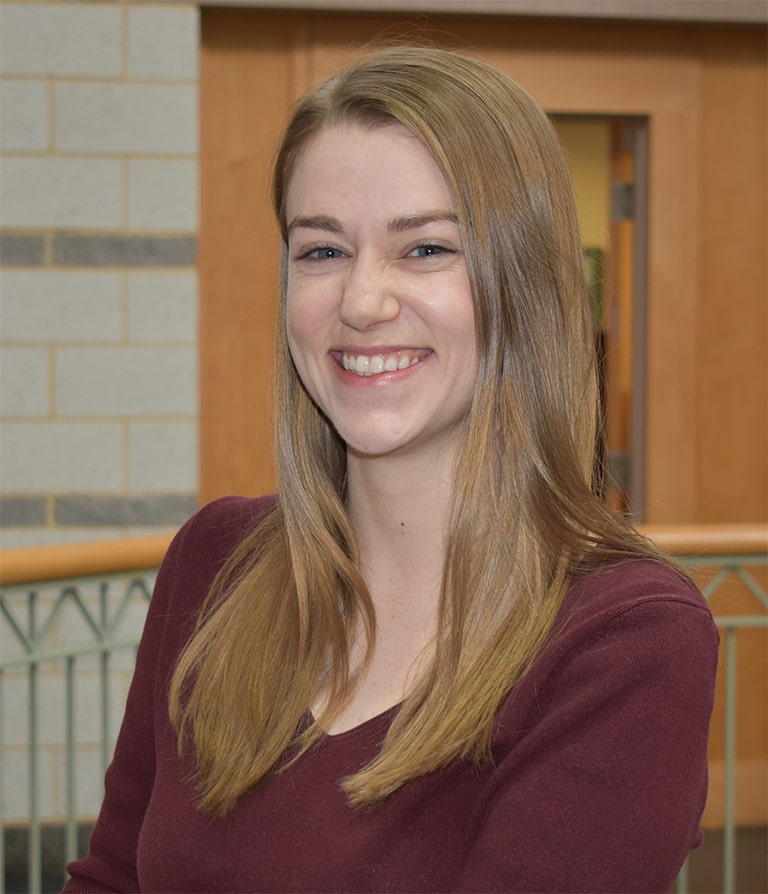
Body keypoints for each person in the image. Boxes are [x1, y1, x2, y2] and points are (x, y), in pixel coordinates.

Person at [64, 46, 718, 893]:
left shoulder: (624, 640)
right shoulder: (216, 561)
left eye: (425, 250)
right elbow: (113, 878)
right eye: (323, 252)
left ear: (525, 285)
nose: (362, 302)